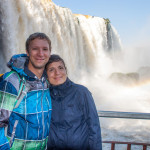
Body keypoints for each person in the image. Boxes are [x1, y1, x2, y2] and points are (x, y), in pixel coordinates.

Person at [0, 32, 52, 150]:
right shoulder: (12, 81)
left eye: (45, 49)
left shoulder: (48, 81)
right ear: (28, 52)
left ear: (49, 53)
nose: (40, 53)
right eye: (35, 49)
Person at [46, 54, 102, 150]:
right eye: (51, 70)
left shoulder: (81, 92)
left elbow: (94, 128)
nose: (57, 73)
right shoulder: (44, 96)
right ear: (45, 74)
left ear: (66, 70)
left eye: (60, 68)